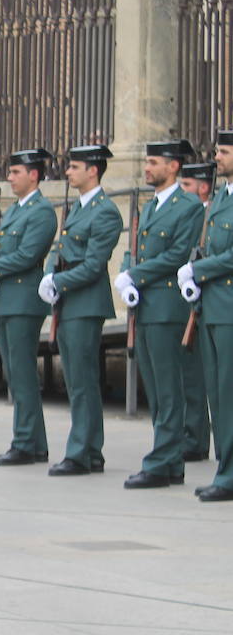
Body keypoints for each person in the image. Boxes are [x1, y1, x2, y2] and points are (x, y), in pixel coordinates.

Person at [115, 140, 204, 489]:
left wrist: (135, 275)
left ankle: (163, 460)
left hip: (168, 308)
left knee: (168, 390)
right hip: (146, 306)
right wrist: (126, 275)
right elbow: (135, 248)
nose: (147, 168)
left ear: (174, 166)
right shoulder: (150, 206)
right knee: (155, 387)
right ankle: (169, 462)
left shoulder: (188, 206)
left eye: (154, 162)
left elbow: (178, 254)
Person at [39, 145, 125, 475]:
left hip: (85, 303)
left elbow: (92, 265)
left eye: (74, 167)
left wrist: (59, 282)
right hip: (69, 301)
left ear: (93, 170)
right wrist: (49, 273)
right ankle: (90, 452)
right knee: (77, 381)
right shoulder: (77, 208)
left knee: (83, 381)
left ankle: (81, 453)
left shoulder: (104, 211)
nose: (68, 172)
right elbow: (60, 248)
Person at [0, 148, 57, 466]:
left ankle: (25, 442)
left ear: (33, 175)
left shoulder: (41, 212)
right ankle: (34, 443)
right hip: (7, 299)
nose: (10, 178)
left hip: (24, 301)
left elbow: (27, 255)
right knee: (15, 373)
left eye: (16, 172)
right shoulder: (13, 210)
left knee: (21, 373)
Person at [188, 129, 233, 501]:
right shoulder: (220, 197)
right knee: (217, 395)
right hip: (212, 307)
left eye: (223, 152)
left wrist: (198, 272)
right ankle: (225, 468)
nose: (216, 158)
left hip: (230, 309)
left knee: (229, 392)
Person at [176, 162, 216, 463]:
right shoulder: (193, 214)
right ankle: (194, 436)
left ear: (203, 187)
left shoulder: (210, 214)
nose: (183, 191)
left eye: (187, 185)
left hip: (213, 300)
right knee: (190, 374)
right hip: (189, 301)